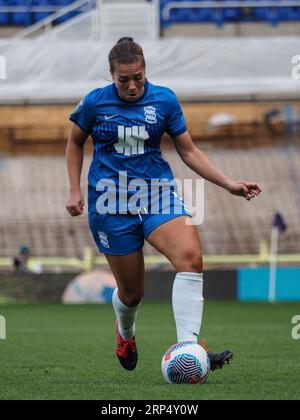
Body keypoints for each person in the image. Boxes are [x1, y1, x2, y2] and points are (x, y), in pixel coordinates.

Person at [66, 37, 262, 373]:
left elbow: (188, 150)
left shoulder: (165, 100)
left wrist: (228, 183)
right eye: (123, 79)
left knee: (191, 258)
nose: (131, 85)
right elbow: (74, 143)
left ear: (146, 71)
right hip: (111, 202)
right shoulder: (94, 103)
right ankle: (125, 332)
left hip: (158, 194)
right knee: (131, 294)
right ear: (111, 75)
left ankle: (188, 348)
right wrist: (73, 190)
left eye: (138, 77)